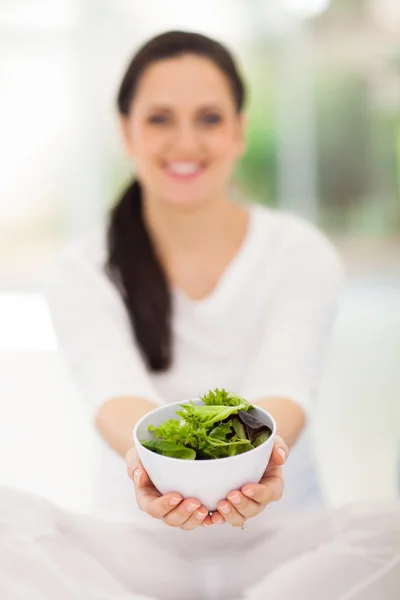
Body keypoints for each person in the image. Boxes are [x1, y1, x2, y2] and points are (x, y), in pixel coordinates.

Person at [44, 29, 347, 594]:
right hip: (135, 552)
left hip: (288, 548)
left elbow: (287, 384)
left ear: (238, 130)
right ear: (125, 132)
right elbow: (113, 392)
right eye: (160, 118)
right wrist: (153, 463)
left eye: (208, 118)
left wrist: (259, 458)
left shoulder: (301, 252)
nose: (186, 142)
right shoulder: (81, 268)